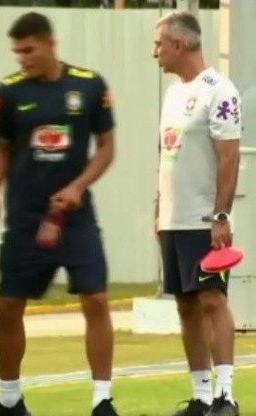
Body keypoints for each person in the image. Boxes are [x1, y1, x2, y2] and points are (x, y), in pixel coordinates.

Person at [0, 12, 118, 416]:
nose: (21, 58)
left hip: (74, 217)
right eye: (16, 51)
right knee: (7, 306)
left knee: (96, 298)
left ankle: (101, 400)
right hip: (26, 217)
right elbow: (1, 148)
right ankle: (9, 401)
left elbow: (107, 147)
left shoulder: (89, 86)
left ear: (49, 43)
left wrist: (78, 186)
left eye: (28, 50)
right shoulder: (7, 93)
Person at [153, 11, 241, 416]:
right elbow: (167, 154)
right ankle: (201, 396)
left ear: (180, 44)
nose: (155, 52)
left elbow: (228, 156)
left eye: (159, 44)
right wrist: (159, 207)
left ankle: (226, 396)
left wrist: (220, 215)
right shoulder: (172, 93)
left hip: (204, 221)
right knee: (185, 305)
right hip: (173, 219)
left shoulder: (219, 90)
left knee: (211, 300)